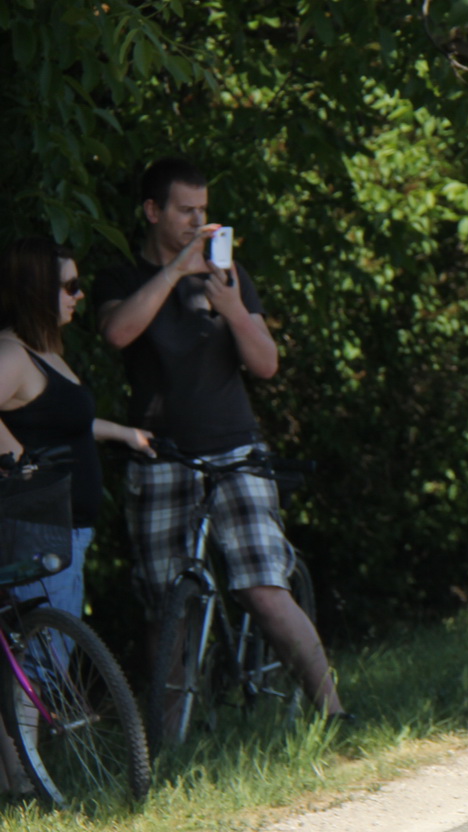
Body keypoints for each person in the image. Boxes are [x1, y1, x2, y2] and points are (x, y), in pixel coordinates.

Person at [92, 158, 345, 719]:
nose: (197, 222)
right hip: (161, 456)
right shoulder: (122, 279)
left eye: (203, 210)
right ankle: (169, 741)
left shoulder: (228, 276)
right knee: (167, 607)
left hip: (236, 450)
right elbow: (117, 332)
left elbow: (266, 364)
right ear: (152, 210)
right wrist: (175, 272)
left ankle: (333, 713)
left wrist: (232, 307)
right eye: (185, 210)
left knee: (263, 589)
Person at [0, 239, 155, 617]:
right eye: (70, 287)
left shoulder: (45, 352)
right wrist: (18, 459)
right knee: (45, 650)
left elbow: (61, 422)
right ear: (36, 290)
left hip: (65, 533)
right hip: (39, 531)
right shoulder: (11, 354)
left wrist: (124, 433)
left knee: (56, 646)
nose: (80, 295)